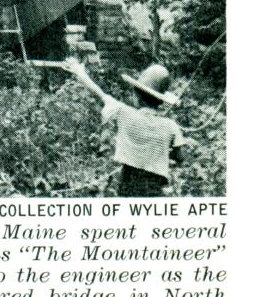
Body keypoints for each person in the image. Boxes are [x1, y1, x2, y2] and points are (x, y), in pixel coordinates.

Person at [63, 59, 185, 197]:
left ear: (136, 95)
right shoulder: (170, 126)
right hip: (154, 188)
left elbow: (99, 93)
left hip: (128, 184)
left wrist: (79, 71)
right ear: (161, 100)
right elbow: (179, 158)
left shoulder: (124, 113)